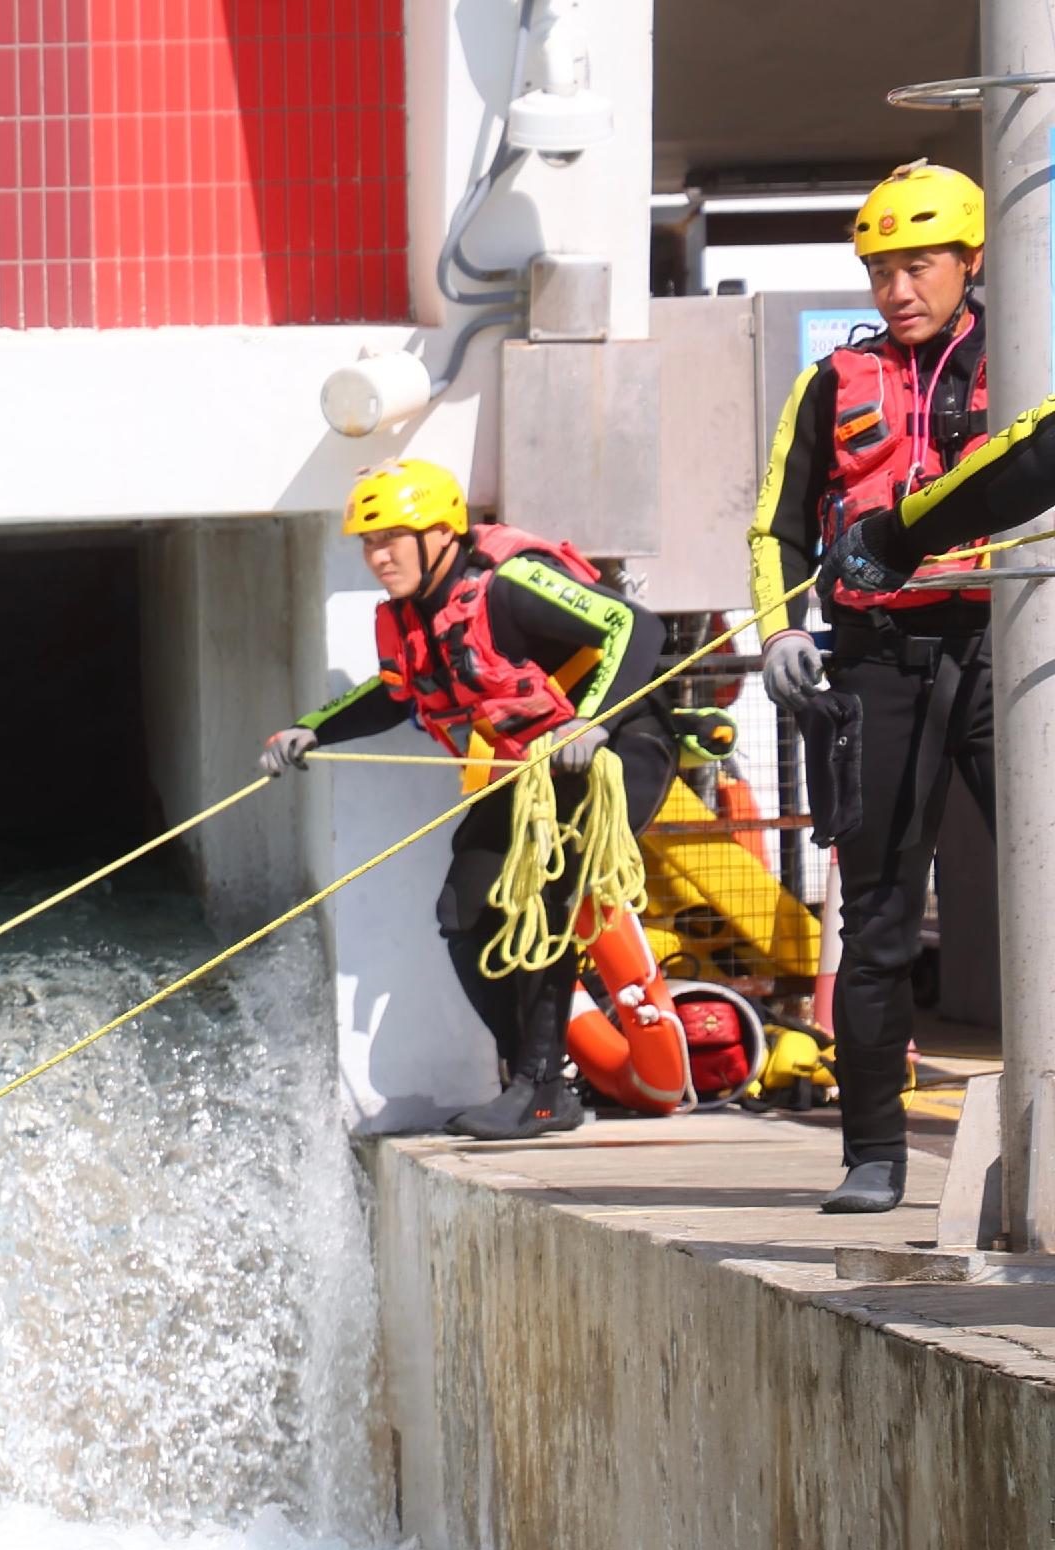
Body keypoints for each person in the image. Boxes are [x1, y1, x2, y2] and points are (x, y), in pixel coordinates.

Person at [262, 459, 674, 1141]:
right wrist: (313, 730)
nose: (378, 555)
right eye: (368, 541)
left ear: (441, 534)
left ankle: (539, 1090)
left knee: (547, 895)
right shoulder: (408, 617)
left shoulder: (509, 583)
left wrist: (590, 721)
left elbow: (636, 629)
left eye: (394, 536)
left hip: (616, 745)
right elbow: (394, 695)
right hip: (529, 769)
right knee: (464, 911)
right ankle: (538, 1079)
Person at [751, 163, 1003, 1216]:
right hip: (873, 663)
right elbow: (777, 525)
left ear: (970, 262)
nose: (897, 288)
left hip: (998, 647)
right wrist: (777, 636)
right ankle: (873, 1151)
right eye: (879, 269)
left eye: (919, 264)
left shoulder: (1020, 352)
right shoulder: (829, 384)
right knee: (879, 918)